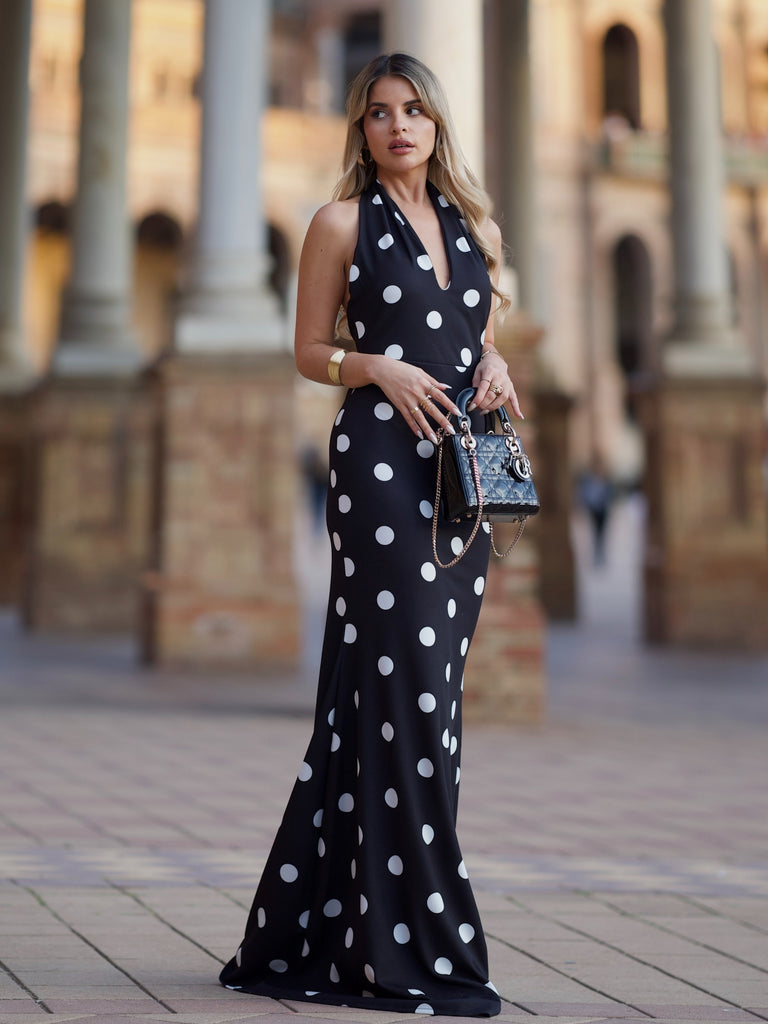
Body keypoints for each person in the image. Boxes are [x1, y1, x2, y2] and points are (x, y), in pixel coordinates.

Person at [218, 52, 523, 1018]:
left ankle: (332, 930)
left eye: (415, 111)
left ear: (437, 125)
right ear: (361, 127)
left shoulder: (477, 228)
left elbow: (472, 334)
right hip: (380, 472)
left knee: (408, 701)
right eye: (381, 112)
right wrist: (377, 368)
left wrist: (496, 366)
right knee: (412, 695)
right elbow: (309, 351)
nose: (399, 127)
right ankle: (422, 938)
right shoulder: (340, 223)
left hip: (459, 477)